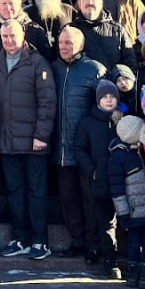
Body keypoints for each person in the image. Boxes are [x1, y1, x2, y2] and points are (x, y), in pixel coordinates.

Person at [0, 16, 56, 260]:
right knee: (14, 191)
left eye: (13, 36)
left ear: (22, 36)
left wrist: (41, 135)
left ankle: (40, 241)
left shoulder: (38, 63)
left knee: (36, 192)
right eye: (4, 36)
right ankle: (19, 239)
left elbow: (47, 102)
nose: (8, 40)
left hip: (33, 142)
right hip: (6, 141)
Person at [51, 26, 106, 258]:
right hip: (60, 147)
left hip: (87, 150)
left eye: (69, 43)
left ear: (80, 46)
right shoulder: (52, 68)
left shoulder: (94, 69)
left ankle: (94, 243)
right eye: (61, 42)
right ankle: (76, 240)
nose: (64, 47)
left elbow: (108, 105)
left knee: (90, 199)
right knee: (68, 198)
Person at [73, 79, 122, 276]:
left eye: (112, 96)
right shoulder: (88, 122)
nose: (109, 100)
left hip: (125, 180)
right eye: (104, 97)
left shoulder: (124, 119)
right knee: (106, 221)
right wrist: (92, 170)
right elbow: (79, 148)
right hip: (101, 179)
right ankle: (110, 260)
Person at [110, 115, 145, 289]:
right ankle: (134, 274)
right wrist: (122, 213)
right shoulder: (118, 156)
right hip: (133, 210)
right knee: (133, 242)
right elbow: (117, 188)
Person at [74, 0, 138, 74]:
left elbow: (130, 62)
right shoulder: (71, 31)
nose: (90, 2)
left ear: (101, 3)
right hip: (83, 86)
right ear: (79, 4)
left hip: (114, 85)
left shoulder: (118, 30)